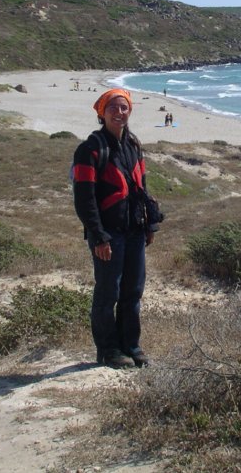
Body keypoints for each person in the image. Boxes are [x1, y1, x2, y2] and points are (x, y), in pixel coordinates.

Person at [72, 88, 160, 369]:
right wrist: (98, 236)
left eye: (124, 107)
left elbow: (142, 187)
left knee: (132, 292)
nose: (119, 112)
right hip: (108, 235)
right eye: (113, 107)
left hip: (134, 230)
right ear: (102, 112)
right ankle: (108, 350)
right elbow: (84, 199)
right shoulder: (90, 150)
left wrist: (149, 224)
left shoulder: (133, 145)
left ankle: (130, 346)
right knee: (108, 293)